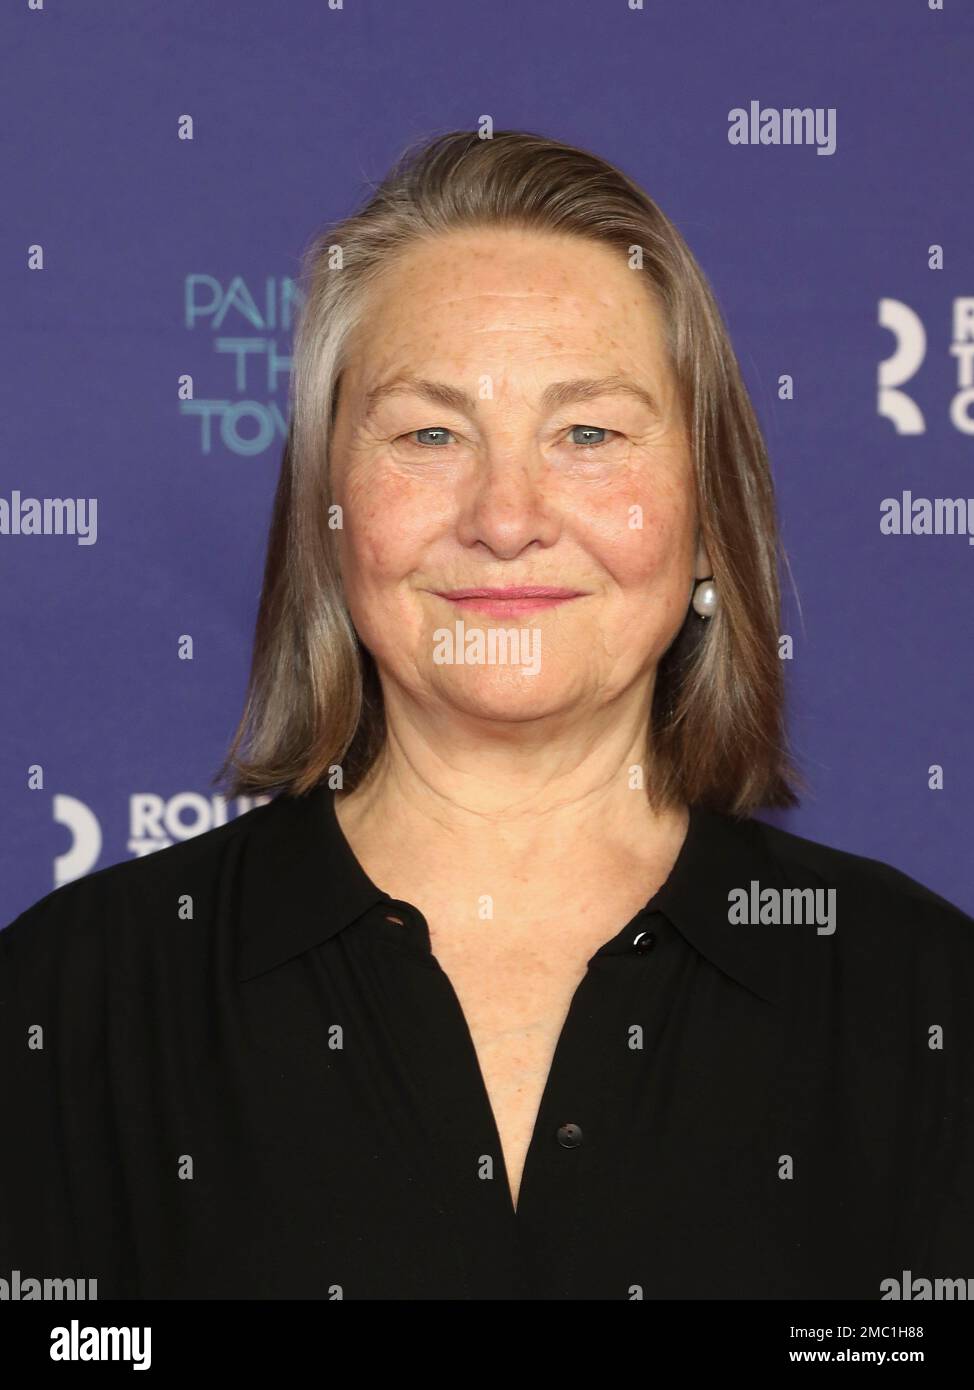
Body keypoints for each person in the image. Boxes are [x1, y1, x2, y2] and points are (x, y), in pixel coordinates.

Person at [2, 129, 972, 1301]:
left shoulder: (920, 1003)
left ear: (708, 513)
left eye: (588, 433)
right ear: (331, 517)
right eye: (429, 433)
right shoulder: (75, 1007)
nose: (505, 517)